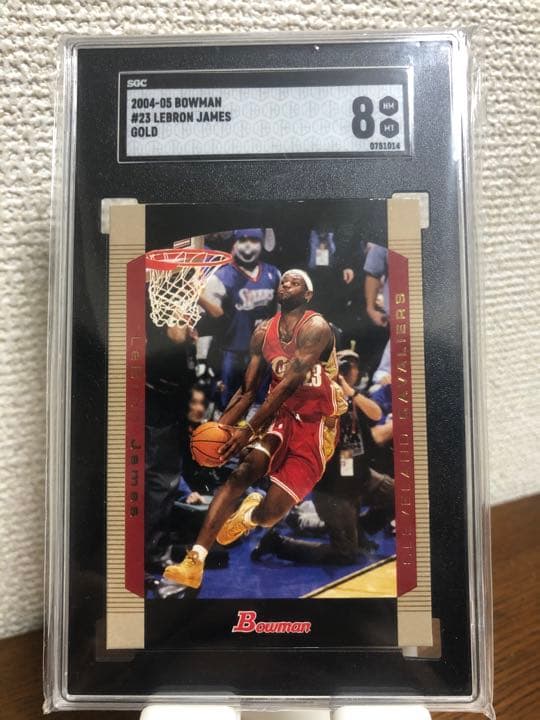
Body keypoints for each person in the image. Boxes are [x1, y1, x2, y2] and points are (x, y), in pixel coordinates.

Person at [163, 269, 347, 588]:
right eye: (284, 280)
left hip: (316, 424)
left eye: (295, 282)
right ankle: (195, 561)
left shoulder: (316, 327)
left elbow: (288, 384)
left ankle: (250, 515)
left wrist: (247, 429)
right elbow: (247, 391)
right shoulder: (263, 332)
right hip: (281, 416)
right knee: (240, 473)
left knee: (271, 514)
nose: (286, 283)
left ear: (308, 295)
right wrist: (221, 430)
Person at [251, 354, 394, 565]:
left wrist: (350, 392)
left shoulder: (350, 396)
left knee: (398, 494)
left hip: (358, 475)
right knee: (345, 554)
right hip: (333, 490)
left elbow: (376, 414)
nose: (347, 370)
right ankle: (278, 544)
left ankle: (359, 531)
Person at [196, 228, 280, 408]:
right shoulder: (221, 276)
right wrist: (202, 358)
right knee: (228, 405)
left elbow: (281, 316)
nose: (248, 245)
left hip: (263, 352)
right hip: (231, 351)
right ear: (234, 244)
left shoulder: (274, 274)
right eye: (243, 240)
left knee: (260, 405)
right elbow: (209, 321)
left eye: (254, 240)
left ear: (261, 244)